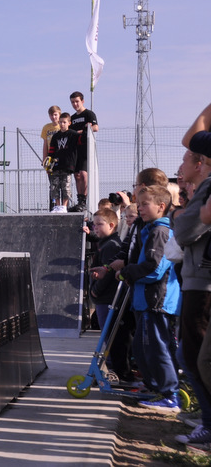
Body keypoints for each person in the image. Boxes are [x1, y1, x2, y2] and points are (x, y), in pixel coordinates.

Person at [112, 185, 181, 411]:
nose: (139, 208)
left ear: (161, 206)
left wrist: (127, 272)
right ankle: (156, 387)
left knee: (156, 348)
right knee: (143, 348)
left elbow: (154, 269)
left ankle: (169, 394)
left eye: (144, 204)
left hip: (156, 301)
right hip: (146, 300)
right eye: (138, 204)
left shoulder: (160, 232)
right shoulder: (150, 230)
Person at [171, 149, 211, 447]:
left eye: (185, 159)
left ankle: (209, 424)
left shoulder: (207, 187)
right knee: (189, 355)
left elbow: (184, 232)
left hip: (202, 284)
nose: (180, 167)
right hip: (195, 281)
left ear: (200, 163)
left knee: (199, 358)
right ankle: (207, 418)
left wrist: (181, 217)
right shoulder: (202, 189)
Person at [88, 208, 123, 333]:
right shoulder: (105, 244)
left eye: (99, 224)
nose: (95, 228)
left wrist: (95, 291)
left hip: (107, 298)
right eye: (94, 225)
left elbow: (109, 272)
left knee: (108, 333)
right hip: (105, 298)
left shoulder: (110, 246)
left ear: (111, 225)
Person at [69, 91, 99, 212]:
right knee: (77, 175)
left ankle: (84, 201)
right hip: (75, 150)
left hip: (86, 149)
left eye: (77, 101)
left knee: (83, 174)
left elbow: (95, 127)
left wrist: (81, 131)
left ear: (82, 101)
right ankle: (79, 200)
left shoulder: (89, 114)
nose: (75, 104)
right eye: (72, 102)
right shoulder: (72, 118)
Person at [47, 112, 78, 212]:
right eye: (60, 122)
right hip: (56, 165)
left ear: (69, 123)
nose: (62, 124)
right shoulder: (55, 136)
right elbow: (51, 151)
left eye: (64, 122)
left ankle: (64, 206)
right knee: (54, 186)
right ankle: (57, 206)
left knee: (66, 186)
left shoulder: (73, 134)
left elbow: (80, 144)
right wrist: (49, 164)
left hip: (67, 165)